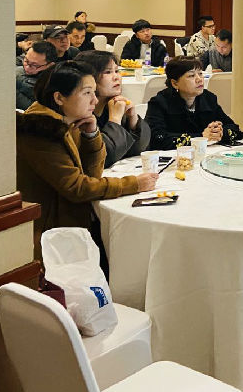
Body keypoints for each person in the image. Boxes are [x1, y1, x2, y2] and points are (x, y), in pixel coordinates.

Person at [16, 61, 156, 260]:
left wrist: (91, 135)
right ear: (59, 98)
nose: (95, 100)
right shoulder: (40, 131)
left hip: (70, 222)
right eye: (87, 93)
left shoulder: (67, 120)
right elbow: (77, 188)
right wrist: (133, 184)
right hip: (51, 234)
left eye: (94, 92)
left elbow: (91, 175)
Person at [145, 56, 243, 149]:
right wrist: (201, 137)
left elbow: (236, 130)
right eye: (191, 76)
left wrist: (220, 133)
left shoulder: (208, 98)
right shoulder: (159, 103)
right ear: (175, 83)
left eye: (200, 74)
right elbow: (156, 138)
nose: (199, 79)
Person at [76, 50, 150, 167]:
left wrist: (133, 119)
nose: (116, 77)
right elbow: (102, 159)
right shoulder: (79, 115)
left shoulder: (113, 105)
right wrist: (115, 120)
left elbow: (138, 150)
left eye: (117, 71)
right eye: (108, 72)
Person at [16, 41, 57, 110]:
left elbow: (38, 110)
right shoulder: (18, 70)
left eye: (35, 65)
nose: (27, 67)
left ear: (50, 65)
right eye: (26, 61)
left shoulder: (51, 86)